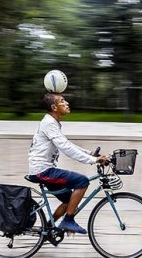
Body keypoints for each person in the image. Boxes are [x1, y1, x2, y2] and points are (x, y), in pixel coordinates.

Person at [28, 93, 109, 234]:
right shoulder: (49, 124)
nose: (67, 103)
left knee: (69, 200)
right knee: (82, 181)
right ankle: (68, 220)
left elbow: (67, 144)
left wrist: (90, 154)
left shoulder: (52, 123)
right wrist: (93, 160)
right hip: (43, 171)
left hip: (45, 170)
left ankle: (48, 228)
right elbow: (66, 148)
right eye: (62, 101)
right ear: (54, 107)